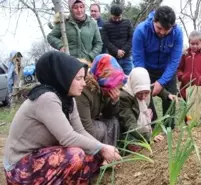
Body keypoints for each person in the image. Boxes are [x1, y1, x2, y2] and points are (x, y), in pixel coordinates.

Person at [3, 51, 121, 184]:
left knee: (93, 155)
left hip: (42, 155)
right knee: (76, 156)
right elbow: (68, 138)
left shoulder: (68, 99)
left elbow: (80, 131)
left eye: (83, 78)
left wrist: (102, 148)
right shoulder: (47, 98)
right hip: (18, 167)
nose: (83, 83)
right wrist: (103, 149)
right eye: (78, 79)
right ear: (63, 77)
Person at [132, 6, 183, 127]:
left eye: (167, 30)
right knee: (146, 101)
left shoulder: (177, 33)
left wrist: (161, 82)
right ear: (154, 21)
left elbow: (174, 61)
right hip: (146, 70)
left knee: (170, 100)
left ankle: (169, 129)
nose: (162, 33)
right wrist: (145, 80)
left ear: (173, 26)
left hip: (167, 71)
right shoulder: (141, 31)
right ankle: (151, 129)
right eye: (159, 28)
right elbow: (138, 59)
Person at [75, 54, 127, 146]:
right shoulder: (83, 91)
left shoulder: (104, 88)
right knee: (101, 128)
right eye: (113, 86)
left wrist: (114, 102)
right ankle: (102, 157)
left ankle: (113, 153)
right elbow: (86, 128)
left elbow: (108, 114)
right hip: (78, 129)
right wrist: (103, 148)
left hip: (93, 119)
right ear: (103, 82)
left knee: (113, 122)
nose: (116, 90)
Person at [119, 67, 176, 147]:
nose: (143, 97)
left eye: (146, 93)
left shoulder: (145, 88)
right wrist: (149, 137)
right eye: (139, 93)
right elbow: (130, 125)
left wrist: (168, 95)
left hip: (145, 128)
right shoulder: (125, 97)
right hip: (131, 132)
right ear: (134, 87)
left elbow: (154, 88)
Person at [177, 31, 201, 124]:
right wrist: (182, 77)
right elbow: (179, 69)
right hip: (187, 88)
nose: (194, 46)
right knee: (188, 110)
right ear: (189, 43)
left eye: (197, 44)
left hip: (200, 88)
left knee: (200, 111)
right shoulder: (185, 55)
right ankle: (188, 129)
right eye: (192, 44)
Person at [102, 4, 133, 75]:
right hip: (113, 58)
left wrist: (123, 51)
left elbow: (131, 38)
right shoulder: (106, 25)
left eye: (119, 17)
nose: (117, 20)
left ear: (122, 14)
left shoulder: (127, 22)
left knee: (128, 80)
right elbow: (106, 41)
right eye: (115, 18)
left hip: (126, 57)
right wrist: (116, 51)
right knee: (113, 80)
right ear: (111, 15)